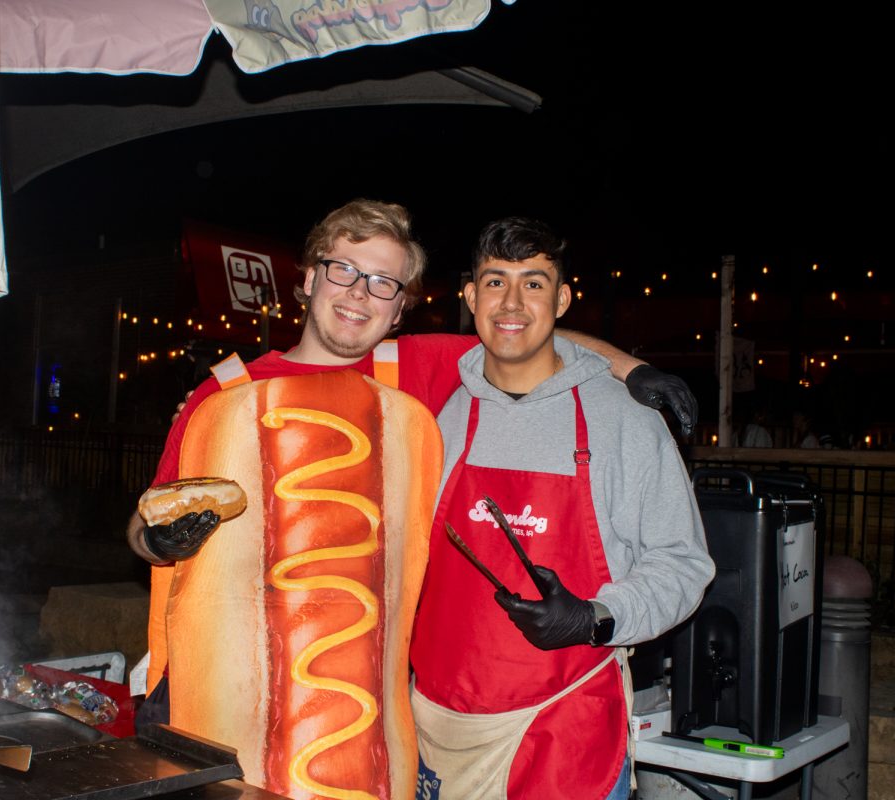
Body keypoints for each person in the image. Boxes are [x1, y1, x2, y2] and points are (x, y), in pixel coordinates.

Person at [127, 200, 698, 799]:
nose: (358, 295)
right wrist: (155, 540)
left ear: (401, 308)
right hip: (238, 702)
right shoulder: (221, 396)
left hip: (371, 723)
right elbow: (145, 529)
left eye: (383, 283)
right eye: (343, 269)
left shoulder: (412, 374)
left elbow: (524, 330)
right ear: (307, 279)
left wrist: (630, 371)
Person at [409, 218, 715, 800]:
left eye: (534, 283)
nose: (512, 302)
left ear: (564, 299)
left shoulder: (624, 421)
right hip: (441, 730)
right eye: (495, 282)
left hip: (564, 734)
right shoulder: (437, 413)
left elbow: (683, 564)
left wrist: (595, 618)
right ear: (471, 297)